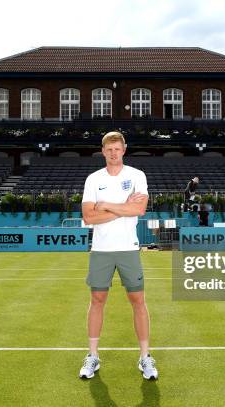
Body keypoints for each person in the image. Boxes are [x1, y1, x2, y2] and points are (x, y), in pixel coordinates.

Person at [79, 131, 158, 380]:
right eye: (109, 149)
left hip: (128, 248)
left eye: (117, 149)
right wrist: (123, 208)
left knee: (138, 301)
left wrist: (108, 205)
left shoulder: (136, 176)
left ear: (124, 150)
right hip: (101, 249)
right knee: (97, 300)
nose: (113, 153)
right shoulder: (93, 179)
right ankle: (92, 356)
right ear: (103, 151)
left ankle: (145, 358)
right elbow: (88, 217)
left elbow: (140, 208)